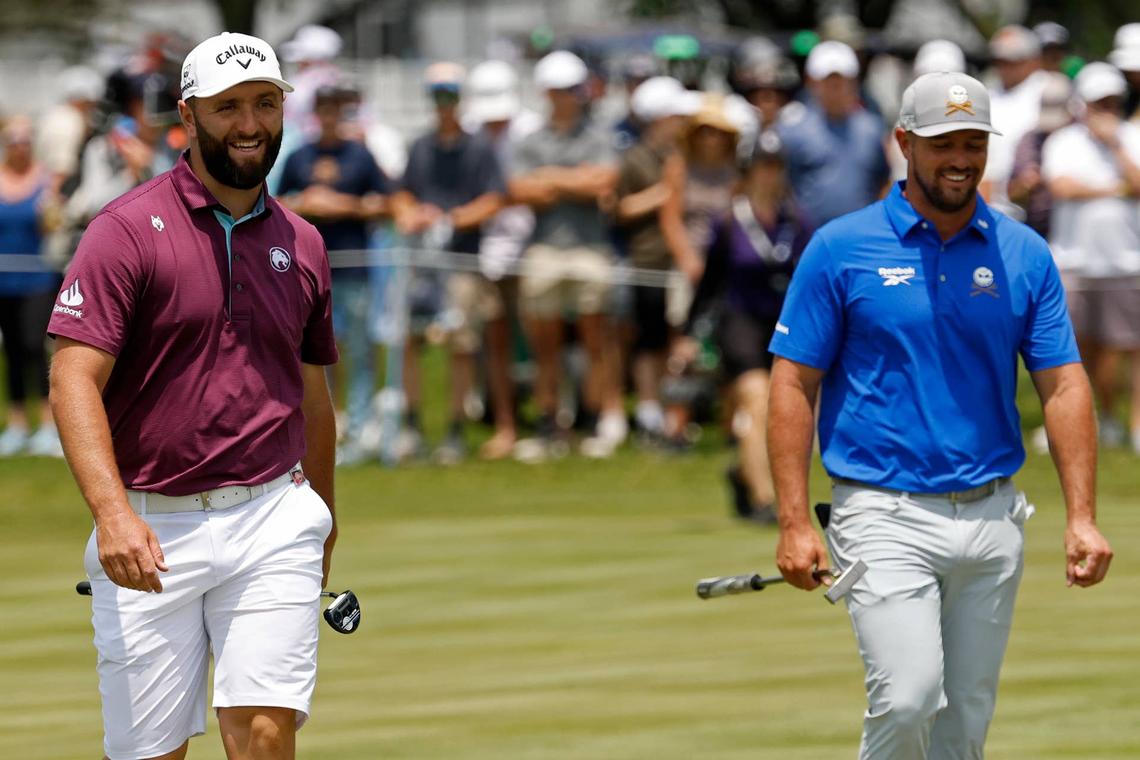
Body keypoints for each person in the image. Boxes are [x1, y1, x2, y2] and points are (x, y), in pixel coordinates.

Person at [768, 72, 1113, 759]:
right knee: (909, 696)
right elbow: (794, 382)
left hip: (992, 516)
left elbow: (1065, 386)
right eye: (943, 143)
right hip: (881, 511)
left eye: (973, 143)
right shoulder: (841, 247)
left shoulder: (1023, 252)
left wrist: (1081, 514)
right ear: (903, 142)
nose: (961, 158)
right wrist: (792, 520)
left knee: (964, 725)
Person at [48, 32, 339, 760]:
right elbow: (72, 378)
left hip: (274, 515)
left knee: (265, 733)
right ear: (188, 114)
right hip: (152, 529)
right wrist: (111, 516)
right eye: (229, 106)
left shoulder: (301, 241)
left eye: (266, 104)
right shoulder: (122, 231)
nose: (250, 124)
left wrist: (325, 522)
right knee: (152, 754)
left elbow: (312, 394)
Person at [680, 130, 811, 522]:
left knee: (782, 409)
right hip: (739, 322)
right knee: (756, 399)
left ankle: (743, 472)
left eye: (776, 166)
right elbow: (709, 285)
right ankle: (764, 500)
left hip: (783, 323)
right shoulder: (729, 223)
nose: (769, 174)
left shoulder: (798, 222)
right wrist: (688, 335)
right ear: (748, 171)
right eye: (762, 166)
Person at [509, 50, 623, 461]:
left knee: (596, 341)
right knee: (545, 346)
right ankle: (548, 426)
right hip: (545, 249)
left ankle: (593, 422)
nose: (567, 97)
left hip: (591, 249)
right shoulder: (530, 138)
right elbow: (522, 191)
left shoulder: (599, 134)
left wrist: (551, 179)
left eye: (572, 90)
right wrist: (578, 180)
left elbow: (606, 180)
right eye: (559, 90)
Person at [391, 62, 507, 464]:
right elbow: (402, 194)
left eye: (450, 97)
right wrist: (411, 214)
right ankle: (412, 426)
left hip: (460, 263)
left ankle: (456, 429)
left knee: (461, 345)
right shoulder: (420, 146)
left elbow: (494, 199)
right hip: (421, 264)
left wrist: (451, 218)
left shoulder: (478, 148)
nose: (444, 105)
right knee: (410, 341)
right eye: (438, 97)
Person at [277, 84, 391, 464]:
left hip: (354, 268)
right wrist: (305, 203)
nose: (328, 116)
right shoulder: (298, 156)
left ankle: (358, 431)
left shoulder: (360, 155)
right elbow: (274, 204)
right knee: (314, 356)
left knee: (357, 350)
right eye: (322, 109)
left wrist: (347, 205)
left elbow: (388, 203)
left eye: (335, 109)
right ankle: (321, 430)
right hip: (307, 272)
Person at [1041, 62, 1140, 454]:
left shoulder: (1131, 136)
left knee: (1130, 347)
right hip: (1074, 261)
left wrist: (1115, 147)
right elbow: (1062, 187)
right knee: (1075, 349)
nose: (1107, 109)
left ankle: (1133, 426)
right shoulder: (1063, 141)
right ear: (1083, 104)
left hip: (1128, 260)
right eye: (1100, 102)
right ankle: (1096, 418)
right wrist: (1116, 189)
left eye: (1113, 101)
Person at [464, 59, 543, 459]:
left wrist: (503, 195)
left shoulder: (531, 130)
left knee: (542, 340)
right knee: (494, 342)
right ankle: (506, 426)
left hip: (532, 247)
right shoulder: (471, 135)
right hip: (485, 251)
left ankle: (550, 425)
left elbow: (538, 189)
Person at [613, 76, 697, 441]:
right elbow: (622, 207)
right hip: (647, 259)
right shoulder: (634, 158)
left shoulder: (684, 155)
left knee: (675, 338)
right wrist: (666, 192)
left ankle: (674, 412)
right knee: (648, 340)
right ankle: (648, 410)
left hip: (680, 261)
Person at [0, 116, 63, 457]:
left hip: (38, 277)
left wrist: (52, 209)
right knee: (10, 352)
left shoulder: (45, 181)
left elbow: (54, 228)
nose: (19, 146)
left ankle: (48, 426)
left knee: (34, 347)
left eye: (24, 140)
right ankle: (17, 425)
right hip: (3, 280)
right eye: (13, 140)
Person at [778, 40, 890, 226]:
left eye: (841, 81)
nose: (835, 88)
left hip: (861, 238)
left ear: (854, 82)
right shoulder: (791, 131)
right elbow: (782, 186)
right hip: (809, 240)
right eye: (828, 81)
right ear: (811, 82)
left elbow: (883, 180)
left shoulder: (873, 129)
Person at [980, 25, 1048, 218]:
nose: (1004, 66)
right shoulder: (988, 95)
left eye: (1012, 60)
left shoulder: (1048, 90)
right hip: (992, 201)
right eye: (999, 60)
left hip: (1035, 204)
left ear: (1033, 59)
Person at [1008, 72, 1072, 238]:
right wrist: (1026, 184)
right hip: (1038, 229)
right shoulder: (1029, 140)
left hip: (1076, 230)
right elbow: (1012, 193)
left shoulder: (1085, 138)